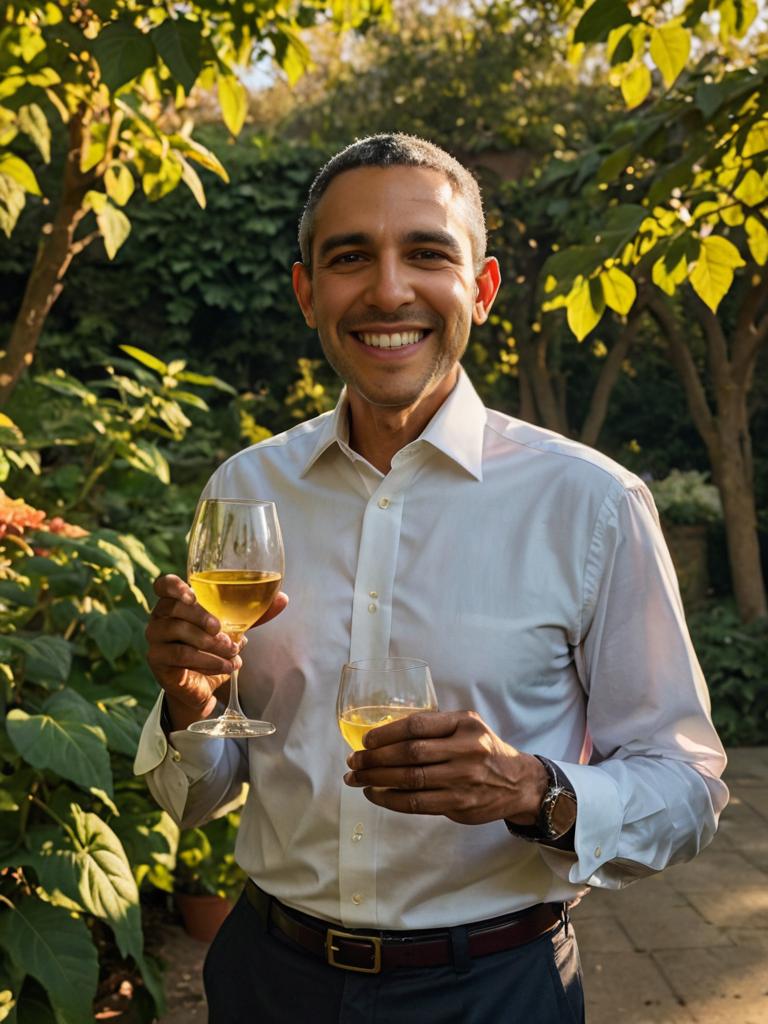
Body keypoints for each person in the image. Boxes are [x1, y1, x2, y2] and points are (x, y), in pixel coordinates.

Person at [135, 133, 728, 1023]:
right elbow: (199, 795)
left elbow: (688, 790)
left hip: (494, 990)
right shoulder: (245, 490)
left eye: (426, 253)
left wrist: (534, 790)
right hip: (268, 978)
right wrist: (191, 707)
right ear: (307, 293)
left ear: (480, 289)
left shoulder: (593, 504)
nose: (387, 290)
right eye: (349, 258)